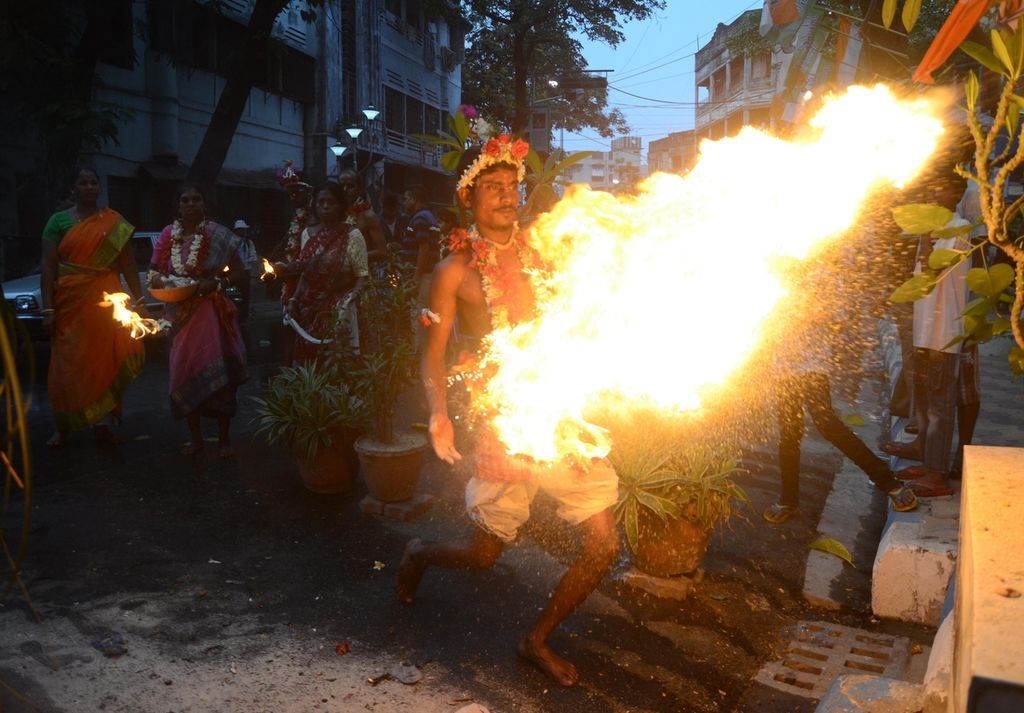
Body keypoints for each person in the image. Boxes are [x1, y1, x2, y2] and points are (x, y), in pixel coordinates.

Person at [394, 139, 620, 688]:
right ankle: (421, 553)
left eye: (512, 186)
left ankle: (535, 639)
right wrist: (438, 413)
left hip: (561, 408)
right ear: (468, 198)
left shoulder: (544, 249)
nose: (506, 196)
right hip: (505, 416)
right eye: (492, 188)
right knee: (484, 553)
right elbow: (434, 351)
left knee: (604, 543)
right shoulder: (455, 271)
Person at [881, 178, 975, 497]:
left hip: (944, 331)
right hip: (924, 328)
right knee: (923, 395)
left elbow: (935, 269)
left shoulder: (958, 229)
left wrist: (924, 236)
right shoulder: (932, 231)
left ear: (957, 194)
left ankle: (937, 474)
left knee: (940, 404)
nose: (935, 193)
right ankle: (925, 453)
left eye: (943, 188)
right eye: (932, 189)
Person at [41, 167, 147, 447]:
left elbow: (128, 265)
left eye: (93, 182)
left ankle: (103, 424)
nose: (89, 187)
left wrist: (140, 300)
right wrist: (48, 309)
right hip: (69, 303)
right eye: (83, 182)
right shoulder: (57, 222)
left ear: (99, 188)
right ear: (73, 188)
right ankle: (63, 425)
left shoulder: (114, 222)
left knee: (105, 359)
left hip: (105, 302)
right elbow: (48, 267)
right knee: (66, 363)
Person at [149, 184, 248, 457]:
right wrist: (160, 280)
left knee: (220, 375)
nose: (191, 204)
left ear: (205, 204)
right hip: (177, 314)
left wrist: (216, 282)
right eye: (185, 200)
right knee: (183, 372)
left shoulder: (218, 235)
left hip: (210, 314)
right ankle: (196, 439)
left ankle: (224, 440)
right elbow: (155, 270)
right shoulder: (169, 234)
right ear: (178, 206)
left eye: (197, 199)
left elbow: (241, 273)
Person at [282, 182, 368, 363]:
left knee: (339, 362)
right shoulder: (307, 234)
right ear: (315, 205)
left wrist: (351, 299)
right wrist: (293, 299)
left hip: (340, 309)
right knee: (311, 363)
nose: (326, 206)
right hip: (310, 308)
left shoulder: (352, 235)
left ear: (340, 206)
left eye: (331, 202)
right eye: (321, 202)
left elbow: (362, 275)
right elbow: (306, 273)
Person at [337, 169, 386, 262]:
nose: (345, 190)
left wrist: (350, 259)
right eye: (341, 186)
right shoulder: (335, 214)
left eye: (350, 186)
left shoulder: (368, 216)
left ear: (359, 189)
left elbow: (382, 252)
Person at [400, 184, 442, 292]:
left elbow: (424, 247)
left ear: (414, 199)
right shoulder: (426, 215)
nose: (403, 203)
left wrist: (416, 277)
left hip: (422, 275)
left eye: (406, 199)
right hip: (426, 273)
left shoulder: (420, 218)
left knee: (418, 306)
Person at [233, 218, 259, 322]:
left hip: (246, 271)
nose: (243, 232)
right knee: (235, 293)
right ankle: (235, 314)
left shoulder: (249, 243)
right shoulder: (233, 242)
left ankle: (245, 315)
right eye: (241, 230)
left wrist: (248, 263)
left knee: (246, 294)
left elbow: (253, 256)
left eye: (244, 230)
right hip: (235, 272)